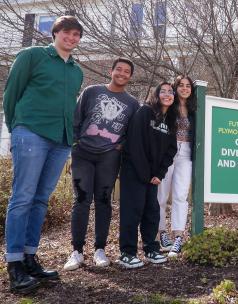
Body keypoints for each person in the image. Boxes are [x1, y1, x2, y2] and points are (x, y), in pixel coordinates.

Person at [2, 16, 83, 293]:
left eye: (76, 35)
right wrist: (16, 127)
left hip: (61, 140)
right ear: (55, 33)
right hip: (31, 132)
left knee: (40, 200)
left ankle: (29, 258)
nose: (71, 38)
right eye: (67, 33)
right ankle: (14, 265)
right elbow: (11, 94)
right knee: (23, 197)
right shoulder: (32, 56)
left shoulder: (76, 70)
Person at [63, 58, 139, 271]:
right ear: (111, 71)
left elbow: (132, 132)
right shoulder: (91, 91)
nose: (122, 74)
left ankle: (100, 250)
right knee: (81, 200)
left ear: (130, 77)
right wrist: (76, 144)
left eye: (127, 71)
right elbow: (76, 119)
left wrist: (121, 146)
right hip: (83, 154)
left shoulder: (132, 104)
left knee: (104, 201)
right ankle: (77, 251)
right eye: (119, 70)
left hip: (109, 156)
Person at [117, 82, 177, 269]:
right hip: (134, 172)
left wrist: (159, 174)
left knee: (151, 212)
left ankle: (151, 249)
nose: (167, 94)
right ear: (156, 94)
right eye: (163, 91)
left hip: (153, 177)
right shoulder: (145, 112)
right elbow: (135, 144)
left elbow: (171, 150)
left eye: (171, 92)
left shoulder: (170, 121)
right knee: (131, 212)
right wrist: (145, 174)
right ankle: (127, 253)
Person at [157, 75, 196, 257]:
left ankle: (178, 236)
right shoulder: (168, 105)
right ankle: (162, 233)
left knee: (181, 195)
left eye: (188, 86)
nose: (185, 88)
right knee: (161, 195)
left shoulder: (194, 108)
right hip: (167, 152)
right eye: (181, 85)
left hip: (186, 154)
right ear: (175, 87)